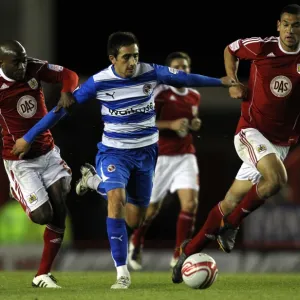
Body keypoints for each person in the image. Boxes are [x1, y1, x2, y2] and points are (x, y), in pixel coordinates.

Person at [11, 31, 236, 289]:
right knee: (116, 200)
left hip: (146, 153)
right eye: (126, 57)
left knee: (135, 220)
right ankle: (122, 273)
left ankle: (94, 182)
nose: (132, 62)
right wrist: (28, 137)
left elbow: (185, 78)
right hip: (114, 152)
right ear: (112, 59)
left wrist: (222, 81)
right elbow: (60, 110)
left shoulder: (150, 72)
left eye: (135, 56)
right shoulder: (99, 82)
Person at [171, 3, 300, 284]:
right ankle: (230, 225)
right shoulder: (262, 48)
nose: (291, 30)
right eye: (286, 24)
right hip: (251, 132)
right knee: (277, 180)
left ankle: (188, 252)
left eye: (296, 25)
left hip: (280, 144)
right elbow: (230, 49)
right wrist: (233, 81)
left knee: (230, 201)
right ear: (278, 25)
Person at [0, 40, 79, 288]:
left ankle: (42, 274)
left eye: (24, 59)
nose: (24, 65)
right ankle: (19, 189)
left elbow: (70, 74)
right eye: (17, 62)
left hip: (47, 152)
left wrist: (67, 90)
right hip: (20, 161)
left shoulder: (34, 68)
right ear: (2, 63)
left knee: (60, 201)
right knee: (43, 215)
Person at [128, 51, 201, 271]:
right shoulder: (158, 93)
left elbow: (191, 120)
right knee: (151, 210)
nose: (182, 70)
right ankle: (136, 240)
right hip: (160, 157)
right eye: (177, 66)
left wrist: (195, 123)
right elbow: (144, 123)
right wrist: (170, 125)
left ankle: (179, 253)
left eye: (186, 66)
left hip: (186, 155)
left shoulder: (194, 95)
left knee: (190, 204)